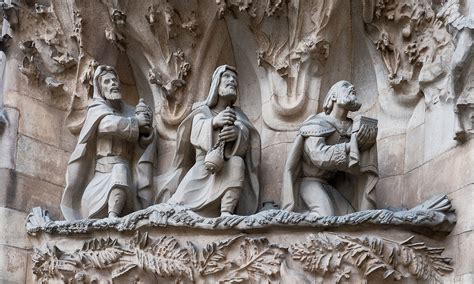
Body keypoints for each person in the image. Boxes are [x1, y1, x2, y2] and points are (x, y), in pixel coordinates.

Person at [157, 65, 261, 217]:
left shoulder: (238, 114)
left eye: (235, 79)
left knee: (237, 163)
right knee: (174, 210)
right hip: (203, 169)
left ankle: (226, 212)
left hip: (226, 169)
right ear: (216, 83)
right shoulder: (203, 110)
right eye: (226, 77)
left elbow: (250, 142)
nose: (232, 81)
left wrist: (237, 134)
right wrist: (213, 122)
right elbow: (195, 133)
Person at [60, 65, 156, 220]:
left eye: (114, 80)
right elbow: (108, 125)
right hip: (102, 177)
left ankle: (115, 215)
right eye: (107, 82)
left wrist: (146, 131)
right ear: (100, 87)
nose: (113, 84)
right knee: (120, 170)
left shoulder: (130, 112)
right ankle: (112, 217)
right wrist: (136, 122)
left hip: (127, 179)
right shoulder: (97, 109)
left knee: (121, 169)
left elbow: (141, 144)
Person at [281, 80, 378, 216]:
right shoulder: (316, 122)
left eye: (352, 86)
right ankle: (295, 221)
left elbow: (355, 165)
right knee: (325, 214)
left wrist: (366, 143)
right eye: (345, 86)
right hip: (309, 182)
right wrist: (352, 146)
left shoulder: (352, 127)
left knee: (351, 218)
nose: (352, 87)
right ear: (333, 97)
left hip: (330, 185)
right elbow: (318, 156)